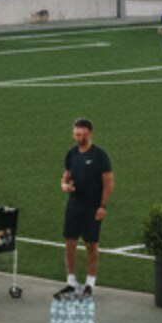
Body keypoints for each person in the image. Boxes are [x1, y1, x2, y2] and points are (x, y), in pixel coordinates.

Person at [56, 117, 112, 301]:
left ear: (89, 134)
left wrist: (102, 206)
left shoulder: (100, 156)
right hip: (74, 205)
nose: (78, 137)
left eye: (81, 134)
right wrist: (64, 186)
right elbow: (66, 176)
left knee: (91, 244)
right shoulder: (71, 154)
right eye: (76, 134)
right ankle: (71, 281)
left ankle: (90, 282)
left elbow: (108, 183)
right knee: (70, 241)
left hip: (92, 207)